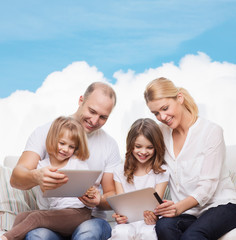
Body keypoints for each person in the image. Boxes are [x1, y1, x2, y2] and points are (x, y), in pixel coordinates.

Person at [10, 82, 121, 240]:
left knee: (89, 232)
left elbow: (111, 194)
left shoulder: (109, 145)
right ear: (81, 100)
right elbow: (16, 178)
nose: (95, 121)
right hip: (52, 220)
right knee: (37, 235)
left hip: (90, 219)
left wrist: (98, 200)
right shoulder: (46, 132)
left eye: (103, 117)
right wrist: (36, 177)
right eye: (92, 111)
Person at [144, 77, 236, 240]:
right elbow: (147, 167)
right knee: (163, 226)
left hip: (221, 206)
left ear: (179, 98)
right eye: (156, 113)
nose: (162, 117)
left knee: (192, 236)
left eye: (165, 108)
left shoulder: (211, 131)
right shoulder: (161, 134)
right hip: (187, 212)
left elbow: (207, 186)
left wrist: (178, 208)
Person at [1, 116, 100, 240]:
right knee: (22, 216)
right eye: (62, 143)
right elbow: (45, 205)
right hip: (56, 214)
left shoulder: (77, 163)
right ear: (53, 140)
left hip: (79, 213)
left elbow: (88, 190)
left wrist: (90, 193)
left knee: (36, 218)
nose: (65, 149)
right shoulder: (41, 166)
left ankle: (6, 238)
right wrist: (44, 188)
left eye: (71, 147)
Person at [109, 118, 169, 240]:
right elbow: (121, 207)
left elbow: (156, 207)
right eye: (138, 146)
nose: (143, 152)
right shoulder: (119, 171)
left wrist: (153, 217)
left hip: (149, 223)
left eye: (149, 147)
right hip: (126, 223)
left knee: (149, 234)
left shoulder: (162, 171)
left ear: (156, 147)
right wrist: (120, 217)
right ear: (131, 145)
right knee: (122, 233)